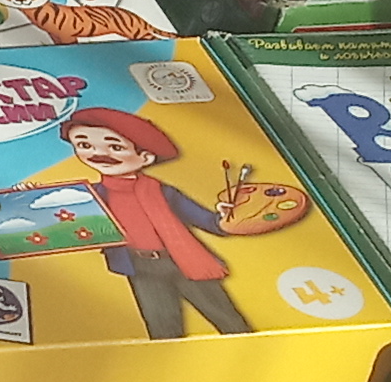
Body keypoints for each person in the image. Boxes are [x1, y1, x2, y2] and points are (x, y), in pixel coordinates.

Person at [55, 107, 250, 339]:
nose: (99, 153)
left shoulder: (163, 191)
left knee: (228, 320)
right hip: (140, 268)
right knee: (162, 329)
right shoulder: (92, 196)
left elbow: (207, 220)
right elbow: (67, 225)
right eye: (85, 145)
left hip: (183, 260)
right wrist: (24, 198)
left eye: (116, 147)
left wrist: (227, 218)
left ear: (145, 158)